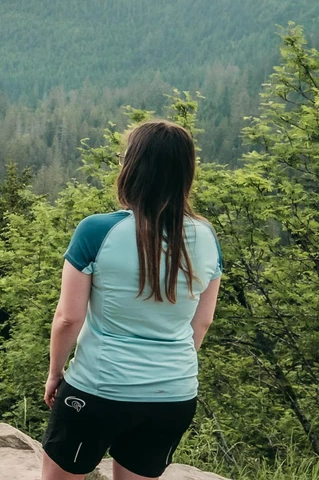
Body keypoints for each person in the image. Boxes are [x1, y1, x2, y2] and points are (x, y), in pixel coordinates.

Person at [40, 120, 221, 480]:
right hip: (174, 393)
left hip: (98, 388)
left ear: (132, 168)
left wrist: (55, 373)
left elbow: (68, 318)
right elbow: (202, 321)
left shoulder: (97, 230)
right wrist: (167, 369)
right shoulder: (206, 236)